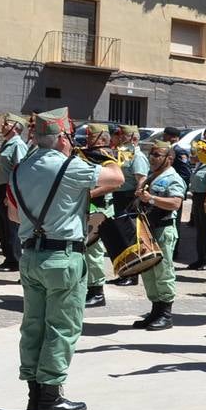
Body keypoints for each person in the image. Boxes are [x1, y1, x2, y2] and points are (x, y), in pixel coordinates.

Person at [10, 108, 123, 410]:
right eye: (69, 137)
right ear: (61, 137)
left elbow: (11, 214)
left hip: (30, 255)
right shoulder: (69, 166)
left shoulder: (20, 167)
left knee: (33, 325)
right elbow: (117, 177)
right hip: (62, 257)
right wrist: (98, 152)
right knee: (62, 327)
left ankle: (34, 392)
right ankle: (50, 396)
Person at [132, 141, 186, 331]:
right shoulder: (152, 176)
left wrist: (152, 199)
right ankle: (155, 310)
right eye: (151, 154)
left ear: (169, 158)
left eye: (157, 155)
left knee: (163, 271)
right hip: (148, 228)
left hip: (163, 229)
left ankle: (165, 314)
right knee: (148, 271)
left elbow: (175, 203)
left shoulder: (173, 178)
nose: (152, 158)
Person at [109, 125, 149, 287]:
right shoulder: (124, 154)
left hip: (129, 198)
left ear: (132, 138)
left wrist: (136, 201)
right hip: (119, 197)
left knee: (130, 238)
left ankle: (132, 276)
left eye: (123, 136)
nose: (120, 139)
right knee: (121, 238)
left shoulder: (137, 156)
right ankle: (125, 271)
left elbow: (141, 180)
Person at [0, 114, 28, 272]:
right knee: (2, 226)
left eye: (6, 124)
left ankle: (15, 260)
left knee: (11, 226)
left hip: (8, 189)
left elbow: (19, 170)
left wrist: (10, 195)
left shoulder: (17, 145)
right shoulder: (7, 143)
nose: (3, 126)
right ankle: (8, 257)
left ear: (15, 128)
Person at [81, 124, 115, 308]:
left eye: (91, 135)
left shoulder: (107, 158)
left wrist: (90, 194)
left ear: (102, 139)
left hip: (100, 209)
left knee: (94, 251)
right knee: (86, 251)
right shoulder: (87, 154)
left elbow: (114, 184)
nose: (87, 138)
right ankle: (88, 286)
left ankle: (97, 291)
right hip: (88, 209)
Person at [187, 128, 206, 270]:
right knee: (199, 230)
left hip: (205, 199)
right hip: (197, 198)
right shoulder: (200, 164)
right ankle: (200, 258)